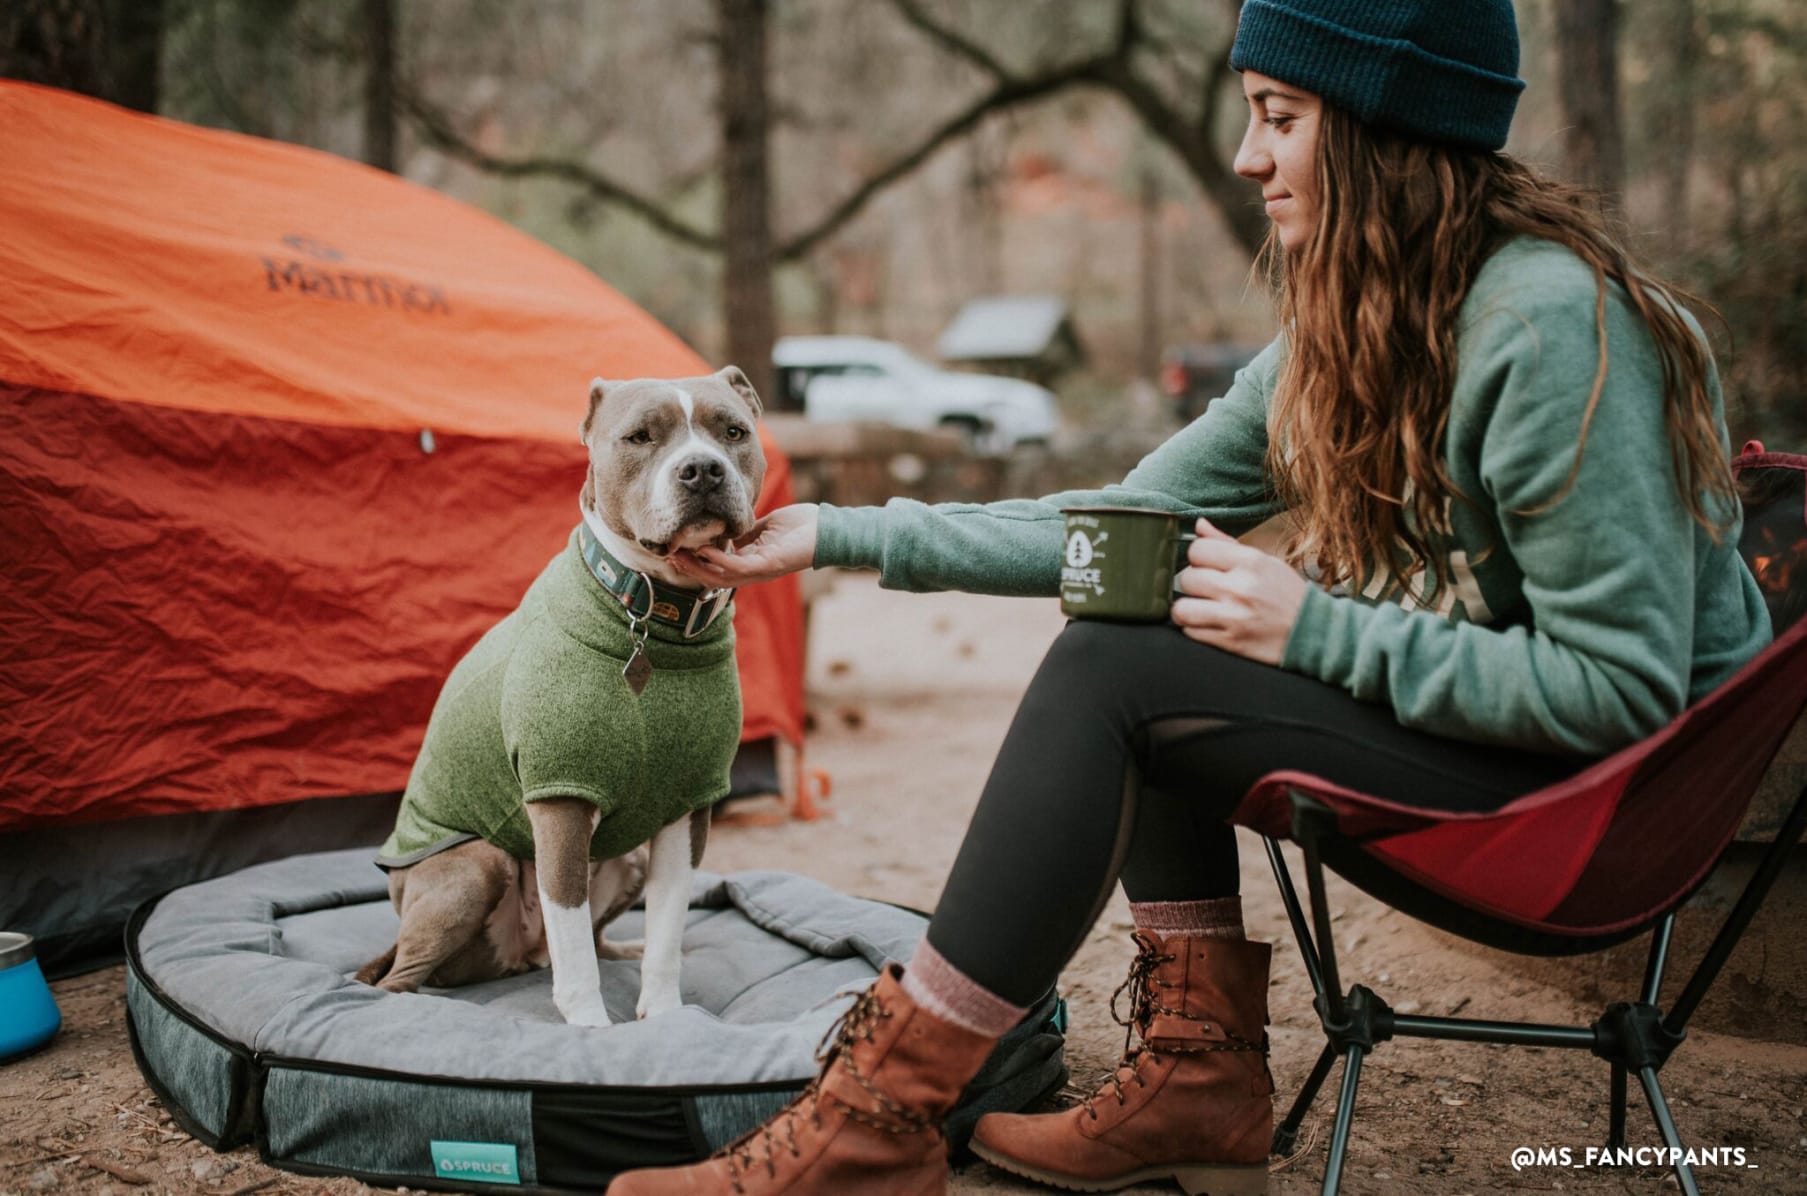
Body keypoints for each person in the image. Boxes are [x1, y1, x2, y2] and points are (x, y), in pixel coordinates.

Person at [606, 2, 1771, 1193]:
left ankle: (875, 1120)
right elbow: (1121, 527)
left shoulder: (1553, 330)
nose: (1245, 154)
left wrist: (1311, 627)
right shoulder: (1354, 324)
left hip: (1594, 806)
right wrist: (842, 532)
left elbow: (1619, 691)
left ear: (1384, 130)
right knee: (1134, 609)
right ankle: (1196, 1078)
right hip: (1496, 743)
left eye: (1281, 117)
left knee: (1122, 667)